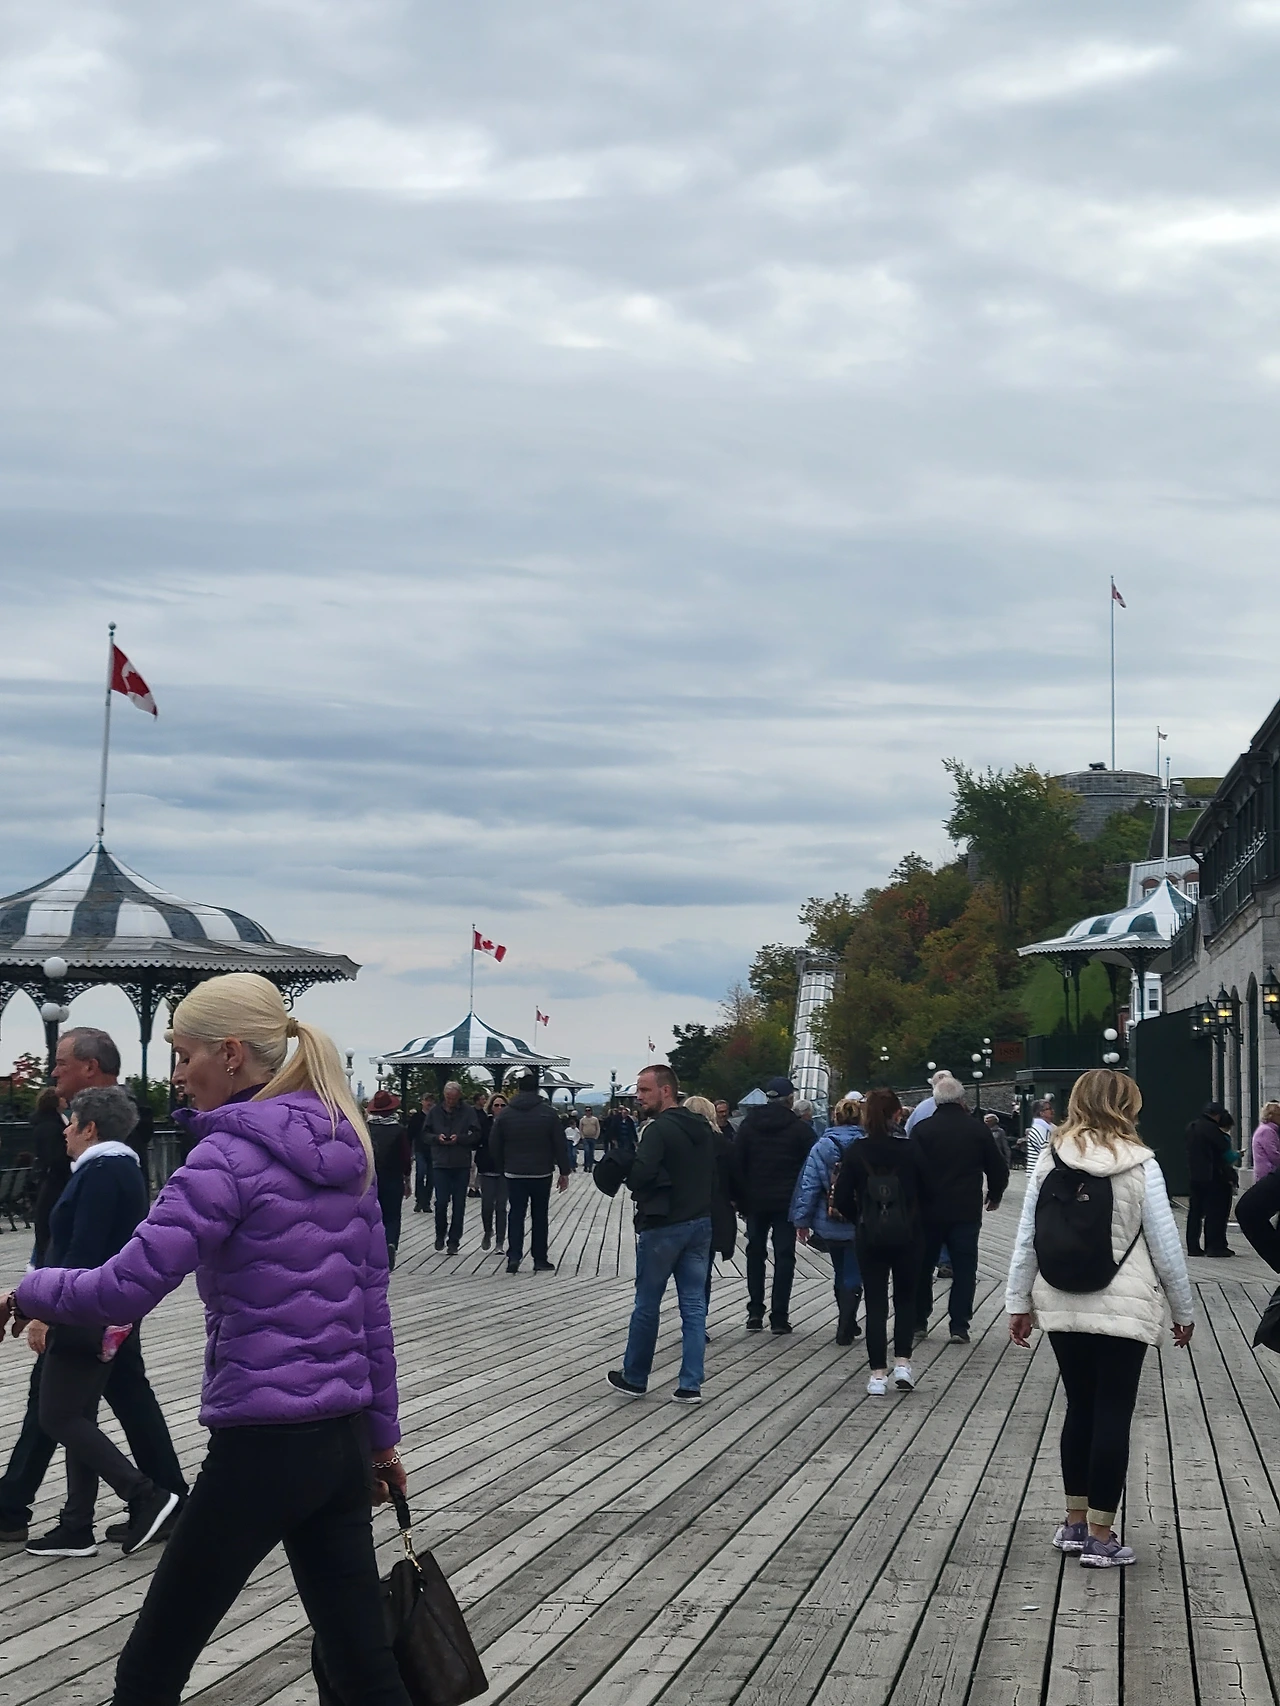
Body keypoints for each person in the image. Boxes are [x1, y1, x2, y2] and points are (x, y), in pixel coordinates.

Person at [6, 971, 410, 1705]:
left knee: (150, 1672)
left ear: (230, 1054)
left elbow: (122, 1289)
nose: (176, 1074)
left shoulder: (224, 1158)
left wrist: (25, 1291)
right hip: (342, 1441)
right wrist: (381, 1443)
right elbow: (370, 1316)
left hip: (260, 1447)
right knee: (365, 1672)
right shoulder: (348, 1150)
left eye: (184, 1054)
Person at [0, 1030, 188, 1546]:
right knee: (86, 1404)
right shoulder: (109, 1162)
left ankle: (148, 1496)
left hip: (85, 1305)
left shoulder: (105, 1166)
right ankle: (77, 1520)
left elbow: (84, 1248)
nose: (53, 1070)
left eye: (61, 1061)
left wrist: (44, 1308)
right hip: (94, 1303)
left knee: (58, 1410)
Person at [1006, 1068, 1194, 1569]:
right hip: (1124, 1304)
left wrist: (1018, 1303)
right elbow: (1166, 1247)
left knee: (1079, 1406)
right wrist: (1183, 1311)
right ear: (1128, 1106)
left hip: (1061, 1298)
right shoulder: (1141, 1164)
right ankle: (1101, 1536)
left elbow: (1027, 1236)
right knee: (1113, 1410)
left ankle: (1073, 1522)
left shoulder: (1049, 1158)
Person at [607, 1065, 715, 1401]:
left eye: (644, 1090)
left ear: (665, 1091)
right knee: (694, 1305)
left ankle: (635, 1376)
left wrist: (625, 1167)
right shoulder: (703, 1127)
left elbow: (640, 1176)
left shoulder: (658, 1130)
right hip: (700, 1222)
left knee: (647, 1303)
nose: (638, 1097)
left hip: (664, 1226)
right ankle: (690, 1383)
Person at [833, 1088, 926, 1394]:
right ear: (898, 1114)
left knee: (875, 1303)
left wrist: (862, 1216)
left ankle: (877, 1374)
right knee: (905, 1299)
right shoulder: (911, 1149)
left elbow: (841, 1197)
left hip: (869, 1235)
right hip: (909, 1233)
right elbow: (929, 1191)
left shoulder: (857, 1151)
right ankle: (903, 1364)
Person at [910, 1074, 1009, 1347]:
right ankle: (959, 1325)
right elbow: (998, 1167)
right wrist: (995, 1194)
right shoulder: (976, 1130)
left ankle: (918, 1321)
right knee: (964, 1269)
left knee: (922, 1267)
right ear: (961, 1099)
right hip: (965, 1210)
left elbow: (909, 1170)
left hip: (927, 1212)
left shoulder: (922, 1130)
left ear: (936, 1100)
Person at [731, 1076, 814, 1333]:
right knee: (784, 1256)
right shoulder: (800, 1129)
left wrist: (740, 1199)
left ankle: (755, 1312)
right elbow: (810, 1167)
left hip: (755, 1201)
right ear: (790, 1099)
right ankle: (779, 1316)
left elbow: (737, 1163)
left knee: (755, 1253)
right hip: (786, 1202)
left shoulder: (748, 1125)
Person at [791, 1095, 865, 1346]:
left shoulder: (822, 1146)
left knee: (839, 1269)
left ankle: (845, 1318)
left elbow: (809, 1185)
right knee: (854, 1270)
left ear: (836, 1117)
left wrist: (802, 1221)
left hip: (830, 1217)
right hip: (860, 1218)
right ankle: (849, 1319)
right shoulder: (866, 1144)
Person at [490, 1074, 570, 1272]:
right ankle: (540, 1258)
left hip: (514, 1172)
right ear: (537, 1088)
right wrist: (564, 1171)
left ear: (518, 1088)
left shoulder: (506, 1114)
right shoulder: (548, 1113)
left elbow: (494, 1143)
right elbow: (559, 1143)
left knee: (516, 1214)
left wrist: (502, 1166)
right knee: (539, 1215)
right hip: (541, 1172)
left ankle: (514, 1257)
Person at [683, 1096, 737, 1338]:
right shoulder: (723, 1144)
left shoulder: (676, 1141)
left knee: (684, 1272)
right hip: (712, 1213)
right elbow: (732, 1181)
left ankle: (689, 1317)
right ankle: (697, 1321)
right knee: (702, 1270)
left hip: (679, 1212)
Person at [425, 1081, 481, 1253]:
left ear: (459, 1097)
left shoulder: (468, 1112)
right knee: (441, 1202)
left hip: (460, 1163)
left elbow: (477, 1134)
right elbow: (424, 1134)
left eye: (454, 1098)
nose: (450, 1101)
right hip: (440, 1163)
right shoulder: (435, 1112)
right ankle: (440, 1233)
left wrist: (461, 1138)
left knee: (459, 1204)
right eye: (448, 1098)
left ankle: (454, 1241)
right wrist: (436, 1138)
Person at [1185, 1101, 1238, 1257]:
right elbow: (1223, 1153)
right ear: (1217, 1115)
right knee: (1216, 1212)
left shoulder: (1192, 1127)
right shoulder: (1213, 1130)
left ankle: (1193, 1246)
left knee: (1195, 1212)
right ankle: (1215, 1246)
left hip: (1195, 1176)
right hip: (1214, 1177)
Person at [366, 1091, 409, 1269]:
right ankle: (391, 1243)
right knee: (392, 1216)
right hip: (393, 1178)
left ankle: (373, 1249)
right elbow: (405, 1157)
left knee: (372, 1215)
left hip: (370, 1180)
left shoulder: (366, 1129)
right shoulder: (399, 1130)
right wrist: (407, 1179)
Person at [28, 1086, 69, 1265]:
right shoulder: (50, 1126)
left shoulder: (50, 1123)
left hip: (51, 1180)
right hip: (54, 1181)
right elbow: (54, 1157)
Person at [474, 1093, 509, 1251]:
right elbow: (477, 1140)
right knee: (487, 1205)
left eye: (502, 1105)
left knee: (501, 1207)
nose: (499, 1108)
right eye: (496, 1105)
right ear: (491, 1107)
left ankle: (500, 1242)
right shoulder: (484, 1123)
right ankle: (488, 1230)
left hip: (504, 1170)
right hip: (487, 1169)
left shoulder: (510, 1123)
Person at [406, 1091, 436, 1213]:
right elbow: (410, 1134)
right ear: (422, 1102)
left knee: (431, 1177)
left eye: (431, 1100)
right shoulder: (416, 1117)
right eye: (427, 1100)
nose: (429, 1103)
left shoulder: (435, 1117)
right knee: (420, 1174)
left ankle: (427, 1202)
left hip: (433, 1150)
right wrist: (409, 1150)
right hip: (420, 1149)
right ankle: (419, 1200)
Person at [1252, 1101, 1280, 1182]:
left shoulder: (1268, 1129)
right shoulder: (1266, 1131)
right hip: (1268, 1175)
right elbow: (1274, 1155)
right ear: (1271, 1115)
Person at [1024, 1098, 1055, 1165]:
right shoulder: (1041, 1131)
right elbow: (1047, 1152)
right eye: (1049, 1109)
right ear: (1041, 1113)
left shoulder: (1049, 1129)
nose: (1052, 1111)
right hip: (1040, 1169)